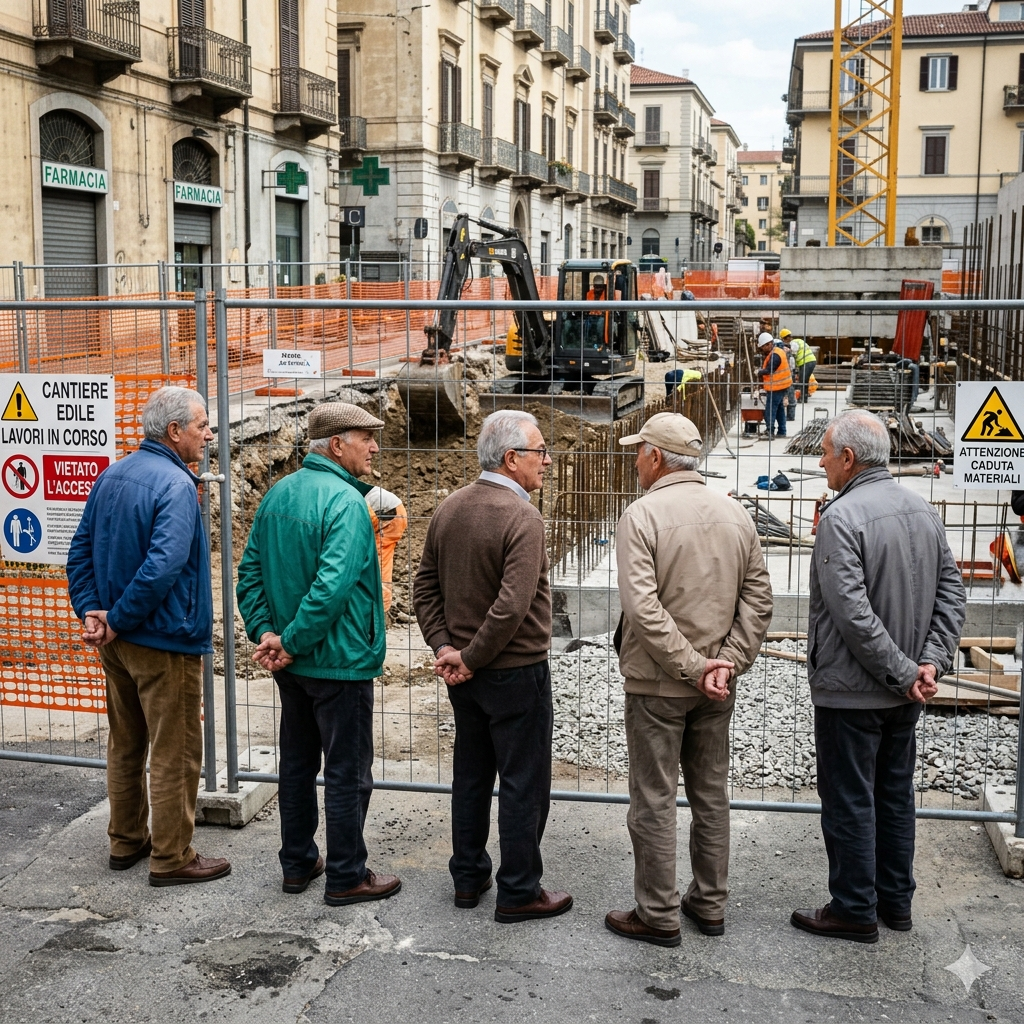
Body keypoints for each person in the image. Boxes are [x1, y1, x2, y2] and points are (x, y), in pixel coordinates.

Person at [791, 411, 965, 943]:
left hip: (853, 691)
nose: (819, 461)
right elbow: (951, 594)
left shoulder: (842, 519)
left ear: (848, 457)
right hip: (904, 691)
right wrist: (928, 665)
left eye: (824, 451)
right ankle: (895, 903)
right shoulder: (923, 511)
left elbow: (851, 613)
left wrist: (907, 670)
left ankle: (853, 908)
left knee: (849, 798)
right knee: (893, 795)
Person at [604, 413, 773, 947]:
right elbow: (758, 598)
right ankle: (710, 904)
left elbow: (643, 608)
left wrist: (694, 667)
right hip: (717, 687)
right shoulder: (735, 514)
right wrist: (726, 662)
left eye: (639, 452)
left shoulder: (642, 515)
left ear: (656, 457)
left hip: (659, 685)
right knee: (711, 795)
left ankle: (658, 914)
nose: (634, 460)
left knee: (654, 798)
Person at [236, 402, 400, 907]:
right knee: (348, 771)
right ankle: (348, 874)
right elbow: (331, 589)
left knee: (300, 763)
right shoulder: (347, 504)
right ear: (335, 445)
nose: (374, 447)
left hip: (294, 665)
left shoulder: (278, 495)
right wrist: (289, 640)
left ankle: (298, 862)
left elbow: (250, 574)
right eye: (364, 438)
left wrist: (268, 633)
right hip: (339, 662)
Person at [66, 386, 230, 887]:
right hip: (165, 640)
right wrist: (116, 617)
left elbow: (79, 551)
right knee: (175, 750)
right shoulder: (178, 486)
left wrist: (93, 613)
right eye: (202, 425)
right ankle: (172, 856)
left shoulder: (113, 474)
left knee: (127, 742)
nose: (209, 434)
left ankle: (126, 842)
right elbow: (163, 567)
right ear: (175, 431)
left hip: (118, 644)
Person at [413, 410, 571, 924]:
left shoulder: (450, 508)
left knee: (472, 774)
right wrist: (468, 656)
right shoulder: (522, 517)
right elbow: (512, 605)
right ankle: (519, 890)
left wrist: (447, 650)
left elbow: (424, 589)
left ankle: (468, 877)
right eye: (540, 452)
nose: (547, 461)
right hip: (514, 671)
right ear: (511, 458)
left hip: (466, 676)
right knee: (524, 781)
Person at [365, 486, 408, 614]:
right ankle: (382, 605)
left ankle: (380, 607)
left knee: (379, 560)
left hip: (390, 513)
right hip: (394, 511)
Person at [755, 332, 792, 438]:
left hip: (777, 386)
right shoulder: (777, 351)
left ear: (769, 344)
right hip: (781, 385)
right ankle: (782, 431)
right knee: (780, 408)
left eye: (763, 347)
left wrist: (759, 372)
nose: (762, 349)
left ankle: (769, 431)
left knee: (770, 409)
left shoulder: (775, 355)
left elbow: (769, 370)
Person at [782, 329, 816, 404]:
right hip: (810, 361)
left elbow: (793, 353)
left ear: (786, 338)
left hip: (807, 362)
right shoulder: (799, 341)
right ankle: (804, 397)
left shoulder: (793, 343)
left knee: (803, 380)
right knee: (805, 380)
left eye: (784, 340)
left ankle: (803, 398)